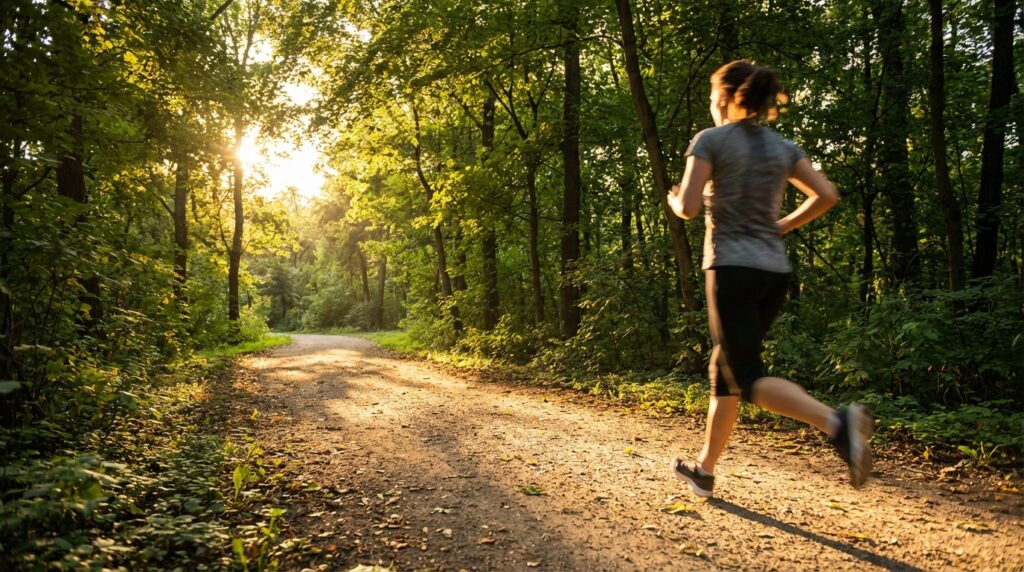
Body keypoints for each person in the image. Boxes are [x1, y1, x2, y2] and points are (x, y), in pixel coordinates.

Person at [666, 60, 873, 498]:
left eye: (710, 97)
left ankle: (836, 422)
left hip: (730, 269)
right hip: (774, 273)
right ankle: (704, 469)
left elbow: (686, 208)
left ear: (723, 97)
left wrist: (674, 200)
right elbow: (827, 195)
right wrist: (781, 226)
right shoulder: (783, 146)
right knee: (725, 371)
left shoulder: (710, 141)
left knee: (746, 376)